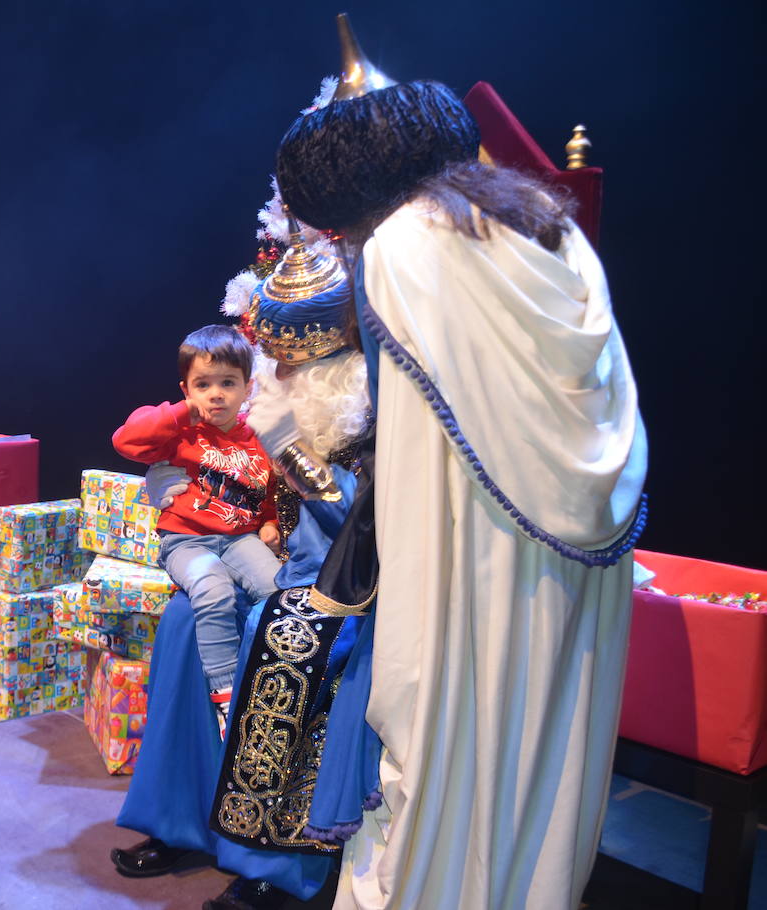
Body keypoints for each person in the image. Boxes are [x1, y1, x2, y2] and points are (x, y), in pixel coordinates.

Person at [259, 16, 647, 908]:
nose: (347, 244)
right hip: (574, 555)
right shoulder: (547, 228)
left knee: (440, 770)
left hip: (471, 551)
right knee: (543, 764)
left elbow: (420, 446)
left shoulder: (407, 244)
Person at [111, 214, 377, 910]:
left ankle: (277, 865)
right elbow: (182, 455)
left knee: (282, 645)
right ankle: (183, 823)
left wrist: (292, 454)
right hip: (260, 561)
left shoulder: (369, 407)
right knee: (182, 626)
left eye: (303, 362)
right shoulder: (258, 406)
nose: (289, 374)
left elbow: (363, 517)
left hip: (344, 587)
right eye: (282, 361)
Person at [112, 324, 282, 734]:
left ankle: (272, 679)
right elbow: (126, 440)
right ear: (186, 388)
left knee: (275, 590)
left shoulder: (257, 438)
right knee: (213, 591)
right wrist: (181, 411)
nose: (216, 393)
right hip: (186, 540)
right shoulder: (179, 430)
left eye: (227, 382)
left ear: (247, 387)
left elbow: (269, 488)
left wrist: (272, 522)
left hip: (239, 538)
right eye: (203, 384)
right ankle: (224, 694)